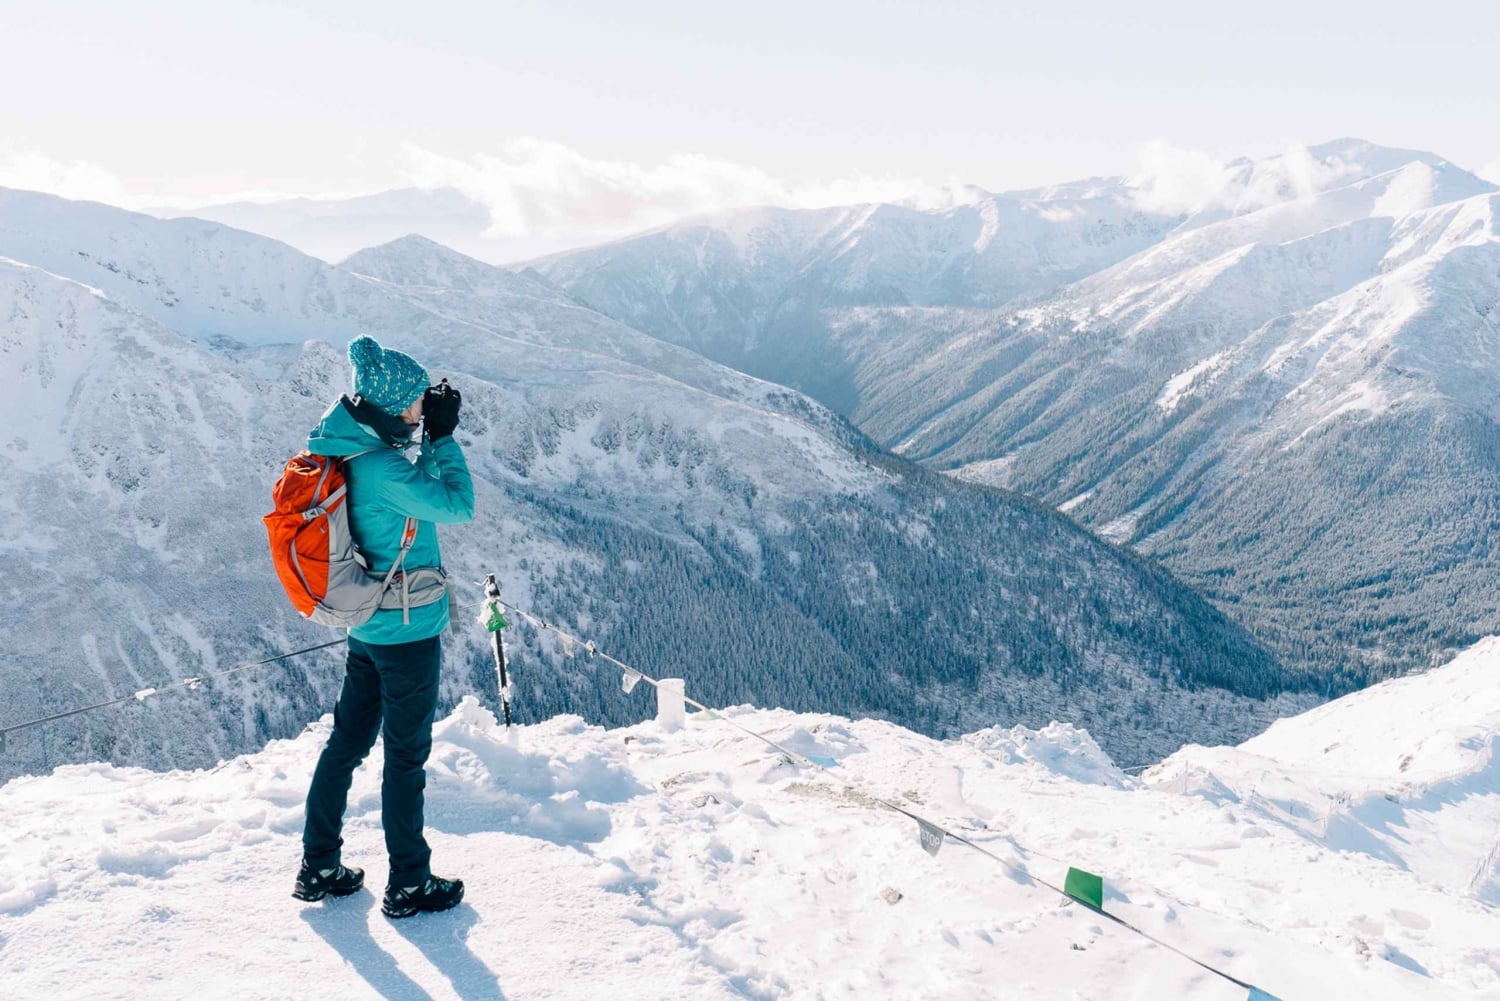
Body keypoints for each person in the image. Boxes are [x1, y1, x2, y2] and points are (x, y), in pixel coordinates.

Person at [292, 335, 475, 919]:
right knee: (404, 757)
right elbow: (457, 504)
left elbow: (408, 496)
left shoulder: (353, 453)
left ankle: (319, 864)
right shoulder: (382, 468)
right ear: (395, 406)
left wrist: (427, 434)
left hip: (369, 627)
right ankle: (410, 882)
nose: (423, 410)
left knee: (347, 742)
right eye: (418, 402)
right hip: (407, 632)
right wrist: (442, 437)